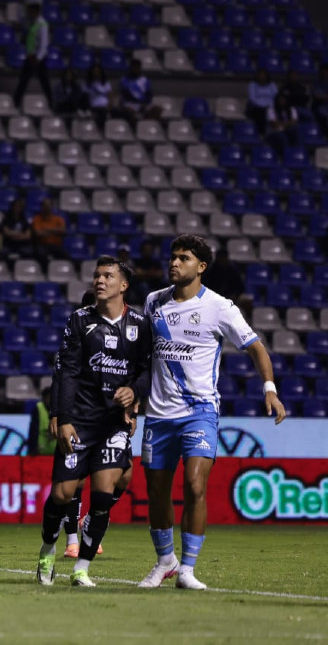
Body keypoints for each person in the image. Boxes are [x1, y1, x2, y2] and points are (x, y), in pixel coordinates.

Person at [138, 235, 286, 590]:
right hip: (158, 414)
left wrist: (269, 388)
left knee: (194, 485)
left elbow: (257, 348)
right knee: (157, 492)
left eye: (184, 258)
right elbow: (142, 354)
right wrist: (131, 394)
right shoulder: (153, 302)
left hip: (200, 411)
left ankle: (187, 569)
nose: (174, 263)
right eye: (173, 257)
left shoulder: (220, 307)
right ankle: (165, 561)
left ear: (201, 266)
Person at [36, 258, 151, 587]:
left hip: (113, 423)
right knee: (62, 494)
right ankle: (47, 549)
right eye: (97, 275)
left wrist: (134, 392)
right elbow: (66, 371)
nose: (100, 280)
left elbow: (148, 371)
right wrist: (63, 417)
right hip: (80, 420)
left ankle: (82, 568)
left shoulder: (140, 325)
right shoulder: (80, 320)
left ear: (123, 285)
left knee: (103, 495)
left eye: (108, 276)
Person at [13, 1, 52, 110]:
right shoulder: (31, 22)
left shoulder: (42, 24)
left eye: (30, 11)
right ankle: (16, 103)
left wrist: (38, 58)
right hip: (30, 56)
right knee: (23, 80)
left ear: (36, 11)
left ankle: (51, 103)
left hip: (38, 58)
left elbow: (44, 43)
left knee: (44, 82)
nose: (28, 13)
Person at [245, 69, 279, 136]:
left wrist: (270, 106)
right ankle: (261, 133)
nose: (262, 77)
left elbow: (275, 97)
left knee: (271, 112)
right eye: (260, 75)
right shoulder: (252, 85)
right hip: (256, 107)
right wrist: (263, 106)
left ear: (267, 76)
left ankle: (271, 133)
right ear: (257, 76)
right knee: (261, 112)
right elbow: (252, 98)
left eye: (263, 75)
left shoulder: (272, 85)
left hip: (270, 107)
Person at [26, 385, 56, 457]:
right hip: (40, 451)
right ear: (44, 398)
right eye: (49, 397)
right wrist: (32, 449)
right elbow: (33, 430)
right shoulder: (38, 409)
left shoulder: (61, 409)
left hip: (57, 452)